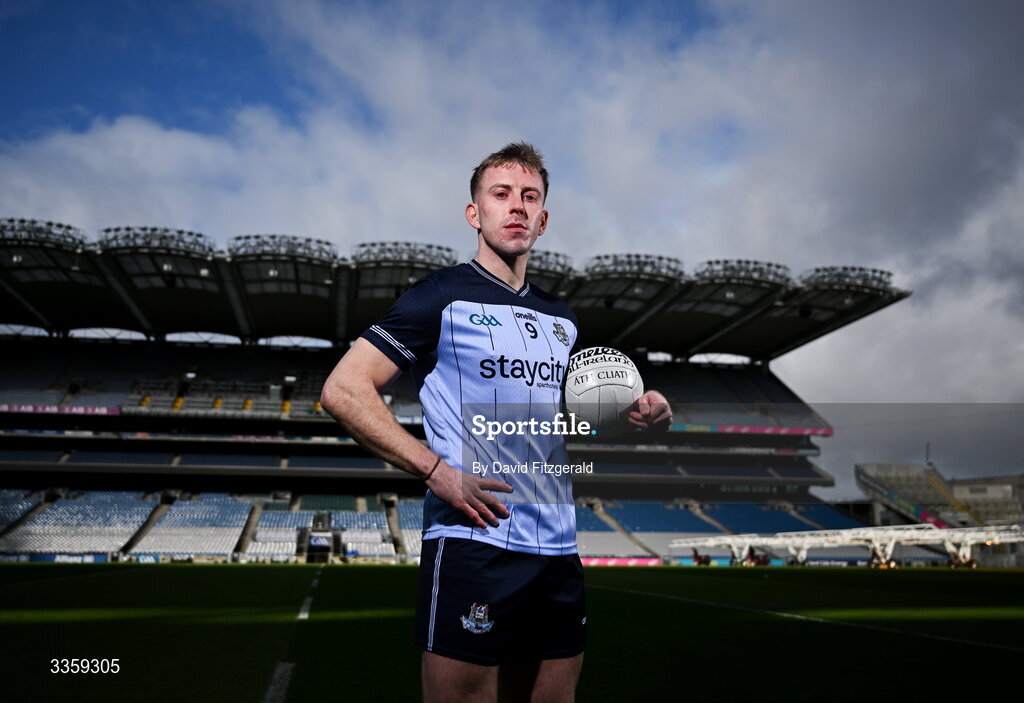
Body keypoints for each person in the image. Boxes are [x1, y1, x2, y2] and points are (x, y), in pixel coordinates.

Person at [320, 142, 671, 703]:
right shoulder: (439, 297)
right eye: (501, 194)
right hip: (473, 542)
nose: (517, 207)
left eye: (530, 197)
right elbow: (343, 388)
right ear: (474, 213)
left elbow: (568, 426)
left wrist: (637, 418)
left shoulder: (563, 320)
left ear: (544, 219)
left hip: (558, 551)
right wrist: (433, 468)